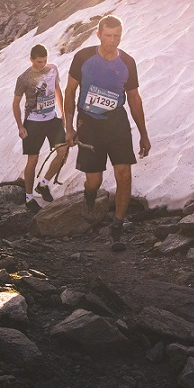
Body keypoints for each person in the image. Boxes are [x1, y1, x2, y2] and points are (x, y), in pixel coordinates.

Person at [63, 14, 151, 251]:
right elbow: (69, 91)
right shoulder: (83, 57)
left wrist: (143, 133)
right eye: (108, 36)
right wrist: (69, 126)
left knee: (123, 174)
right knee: (94, 179)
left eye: (117, 36)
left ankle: (117, 228)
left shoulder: (128, 62)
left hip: (117, 122)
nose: (112, 41)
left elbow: (133, 98)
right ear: (98, 35)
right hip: (89, 123)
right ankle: (89, 198)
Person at [12, 43, 67, 207]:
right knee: (33, 159)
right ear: (31, 60)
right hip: (33, 122)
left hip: (52, 118)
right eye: (38, 62)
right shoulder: (23, 79)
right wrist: (20, 127)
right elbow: (15, 104)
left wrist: (63, 112)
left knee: (62, 151)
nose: (42, 65)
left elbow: (57, 89)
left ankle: (43, 184)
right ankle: (29, 197)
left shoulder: (53, 69)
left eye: (44, 61)